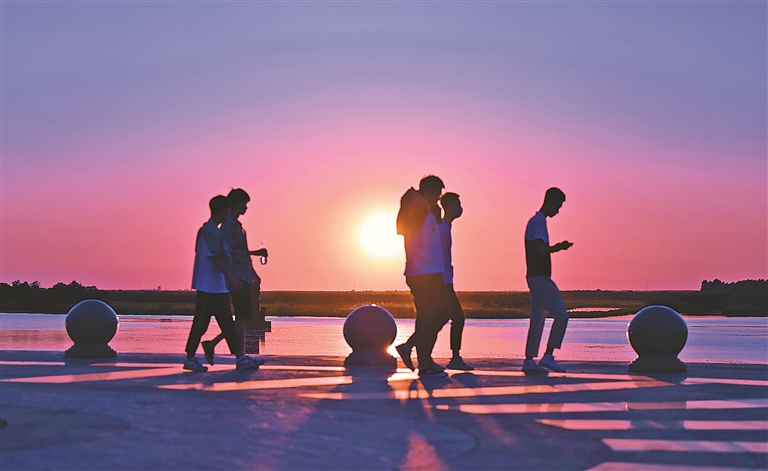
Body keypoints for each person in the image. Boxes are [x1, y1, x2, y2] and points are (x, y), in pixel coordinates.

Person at [183, 195, 264, 372]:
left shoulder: (212, 231)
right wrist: (232, 278)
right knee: (202, 324)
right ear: (223, 211)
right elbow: (217, 257)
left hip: (216, 286)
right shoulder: (210, 232)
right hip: (208, 286)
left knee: (226, 323)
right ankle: (190, 357)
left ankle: (240, 358)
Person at [201, 188, 268, 365]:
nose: (246, 207)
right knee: (241, 317)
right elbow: (231, 252)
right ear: (235, 204)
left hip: (242, 275)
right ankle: (241, 356)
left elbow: (241, 252)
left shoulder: (237, 226)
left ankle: (215, 345)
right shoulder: (229, 227)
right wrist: (238, 274)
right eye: (244, 204)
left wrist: (252, 271)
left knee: (243, 317)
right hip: (236, 276)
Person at [395, 175, 449, 377]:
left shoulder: (427, 210)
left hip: (433, 271)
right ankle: (424, 362)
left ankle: (413, 349)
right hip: (422, 271)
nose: (439, 198)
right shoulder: (417, 206)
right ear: (429, 192)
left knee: (440, 314)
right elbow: (404, 227)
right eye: (437, 193)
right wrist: (417, 201)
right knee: (427, 316)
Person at [522, 187, 573, 374]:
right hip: (540, 277)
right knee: (561, 314)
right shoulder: (538, 222)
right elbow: (539, 249)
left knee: (538, 317)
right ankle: (549, 355)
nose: (558, 210)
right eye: (558, 205)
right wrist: (559, 247)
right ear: (551, 201)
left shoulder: (535, 221)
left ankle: (529, 360)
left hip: (534, 276)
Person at [439, 193, 473, 371]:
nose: (460, 207)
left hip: (446, 280)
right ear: (451, 205)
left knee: (440, 318)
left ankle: (409, 345)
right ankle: (455, 357)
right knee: (457, 317)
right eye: (458, 203)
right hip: (442, 281)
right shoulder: (441, 229)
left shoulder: (446, 227)